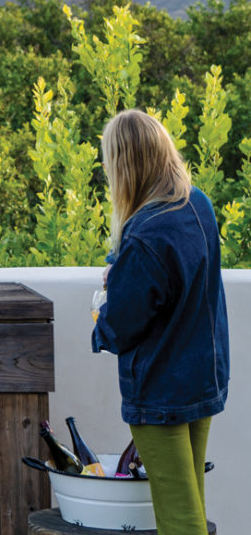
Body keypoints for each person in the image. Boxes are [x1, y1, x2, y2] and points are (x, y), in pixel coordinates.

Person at [92, 109, 229, 535]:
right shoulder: (198, 204)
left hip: (161, 393)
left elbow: (119, 328)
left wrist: (100, 318)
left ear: (126, 164)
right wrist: (122, 269)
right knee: (192, 507)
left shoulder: (145, 235)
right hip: (202, 380)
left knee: (178, 518)